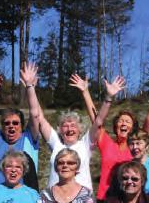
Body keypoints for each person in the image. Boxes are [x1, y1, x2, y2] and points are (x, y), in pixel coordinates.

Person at [90, 73, 149, 201]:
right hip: (106, 199)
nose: (123, 123)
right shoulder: (107, 144)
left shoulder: (135, 145)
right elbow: (97, 121)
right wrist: (86, 91)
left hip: (128, 198)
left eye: (128, 121)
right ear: (115, 125)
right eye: (120, 121)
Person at [21, 63, 98, 191]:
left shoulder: (85, 144)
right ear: (60, 131)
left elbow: (97, 122)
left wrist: (85, 92)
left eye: (73, 125)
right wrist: (31, 88)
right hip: (54, 201)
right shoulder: (57, 144)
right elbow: (39, 117)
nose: (69, 128)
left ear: (80, 130)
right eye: (65, 126)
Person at [108, 130, 149, 201]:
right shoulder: (123, 169)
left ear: (147, 146)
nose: (135, 147)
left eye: (138, 143)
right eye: (131, 144)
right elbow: (114, 194)